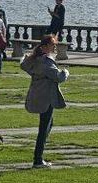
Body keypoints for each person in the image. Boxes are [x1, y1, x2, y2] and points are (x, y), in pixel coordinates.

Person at [20, 34, 69, 168]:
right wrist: (65, 72)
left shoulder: (35, 59)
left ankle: (39, 156)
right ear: (45, 46)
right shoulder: (46, 61)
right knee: (44, 127)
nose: (54, 47)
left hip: (37, 93)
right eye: (52, 45)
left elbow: (24, 65)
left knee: (48, 124)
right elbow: (58, 77)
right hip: (46, 96)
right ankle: (38, 159)